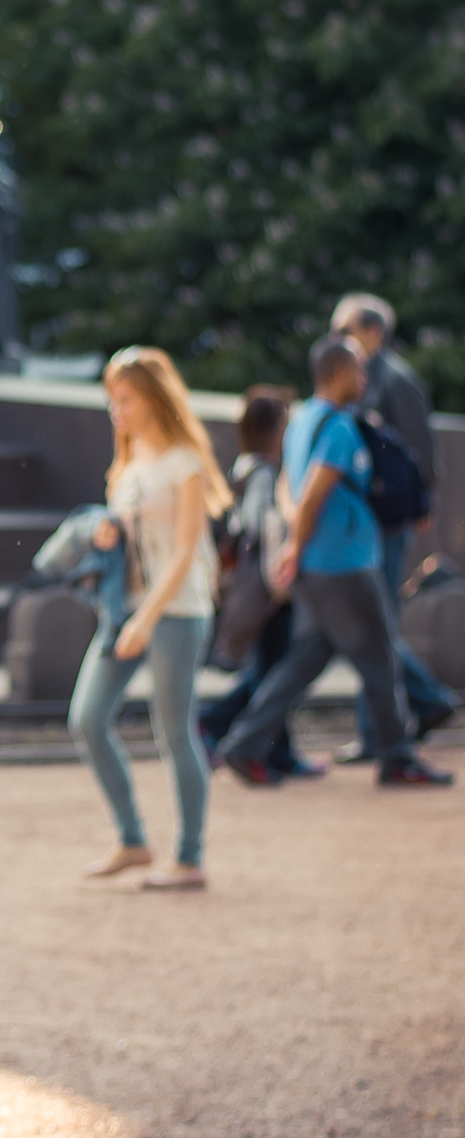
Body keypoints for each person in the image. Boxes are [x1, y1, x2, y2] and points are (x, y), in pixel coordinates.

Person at [217, 334, 452, 789]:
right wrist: (296, 545)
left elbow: (290, 487)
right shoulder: (340, 427)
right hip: (342, 564)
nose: (366, 379)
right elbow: (315, 493)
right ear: (341, 373)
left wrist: (293, 542)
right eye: (361, 370)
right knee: (381, 659)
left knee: (306, 658)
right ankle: (398, 756)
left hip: (315, 565)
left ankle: (243, 744)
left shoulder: (303, 418)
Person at [68, 349, 227, 889]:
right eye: (112, 400)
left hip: (177, 610)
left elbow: (184, 552)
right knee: (87, 719)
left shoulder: (184, 463)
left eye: (125, 399)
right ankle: (133, 839)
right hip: (125, 610)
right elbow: (127, 540)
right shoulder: (128, 461)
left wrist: (147, 618)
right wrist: (103, 533)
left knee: (174, 731)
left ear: (153, 399)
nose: (116, 410)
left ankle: (189, 857)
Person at [330, 292, 453, 763]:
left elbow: (420, 449)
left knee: (372, 624)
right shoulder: (362, 378)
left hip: (388, 521)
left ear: (374, 331)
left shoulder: (395, 379)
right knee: (369, 624)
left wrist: (423, 502)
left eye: (345, 331)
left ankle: (393, 723)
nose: (337, 341)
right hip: (368, 520)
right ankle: (396, 721)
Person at [199, 388, 319, 782]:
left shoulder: (243, 467)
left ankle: (280, 751)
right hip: (270, 590)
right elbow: (260, 528)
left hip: (256, 590)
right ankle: (214, 723)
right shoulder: (264, 473)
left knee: (272, 668)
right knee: (274, 672)